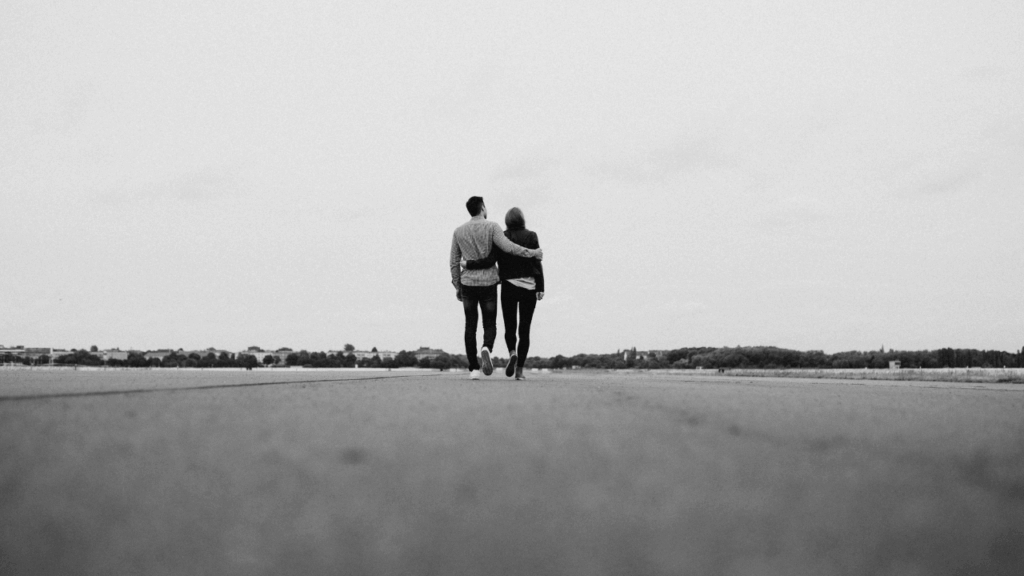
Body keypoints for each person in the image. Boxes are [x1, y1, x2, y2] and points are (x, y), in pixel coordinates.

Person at [450, 197, 543, 380]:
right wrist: (533, 253)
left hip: (468, 283)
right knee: (490, 323)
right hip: (489, 283)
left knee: (470, 325)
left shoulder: (458, 231)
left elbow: (454, 261)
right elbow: (510, 249)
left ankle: (474, 369)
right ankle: (487, 348)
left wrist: (457, 284)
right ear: (483, 208)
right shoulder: (493, 227)